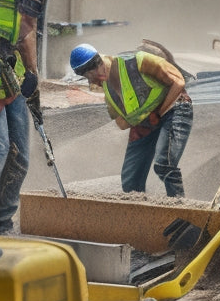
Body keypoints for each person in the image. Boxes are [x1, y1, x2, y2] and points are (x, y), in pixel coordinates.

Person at [0, 0, 103, 234]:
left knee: (21, 156)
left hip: (5, 67)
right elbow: (26, 27)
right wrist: (32, 73)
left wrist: (29, 77)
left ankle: (1, 226)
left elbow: (26, 29)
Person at [69, 41, 192, 198]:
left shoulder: (138, 61)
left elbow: (178, 81)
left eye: (93, 73)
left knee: (164, 164)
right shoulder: (106, 88)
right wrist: (142, 118)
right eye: (87, 77)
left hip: (176, 107)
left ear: (99, 60)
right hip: (148, 121)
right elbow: (121, 122)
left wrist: (158, 113)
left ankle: (180, 207)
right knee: (130, 180)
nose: (93, 80)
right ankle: (140, 215)